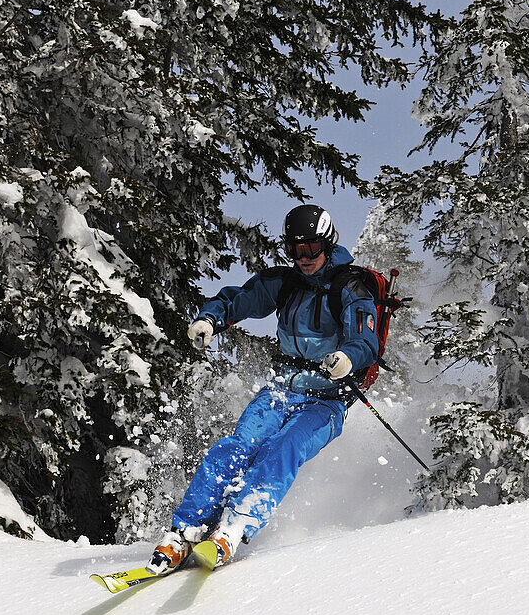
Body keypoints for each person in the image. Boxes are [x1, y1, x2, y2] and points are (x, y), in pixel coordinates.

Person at [148, 204, 379, 573]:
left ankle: (233, 527)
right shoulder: (286, 283)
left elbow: (366, 340)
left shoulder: (350, 285)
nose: (304, 258)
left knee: (283, 448)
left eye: (312, 249)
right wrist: (211, 319)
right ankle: (183, 530)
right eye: (296, 250)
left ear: (328, 243)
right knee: (238, 447)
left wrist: (348, 358)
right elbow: (241, 298)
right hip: (282, 387)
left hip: (328, 400)